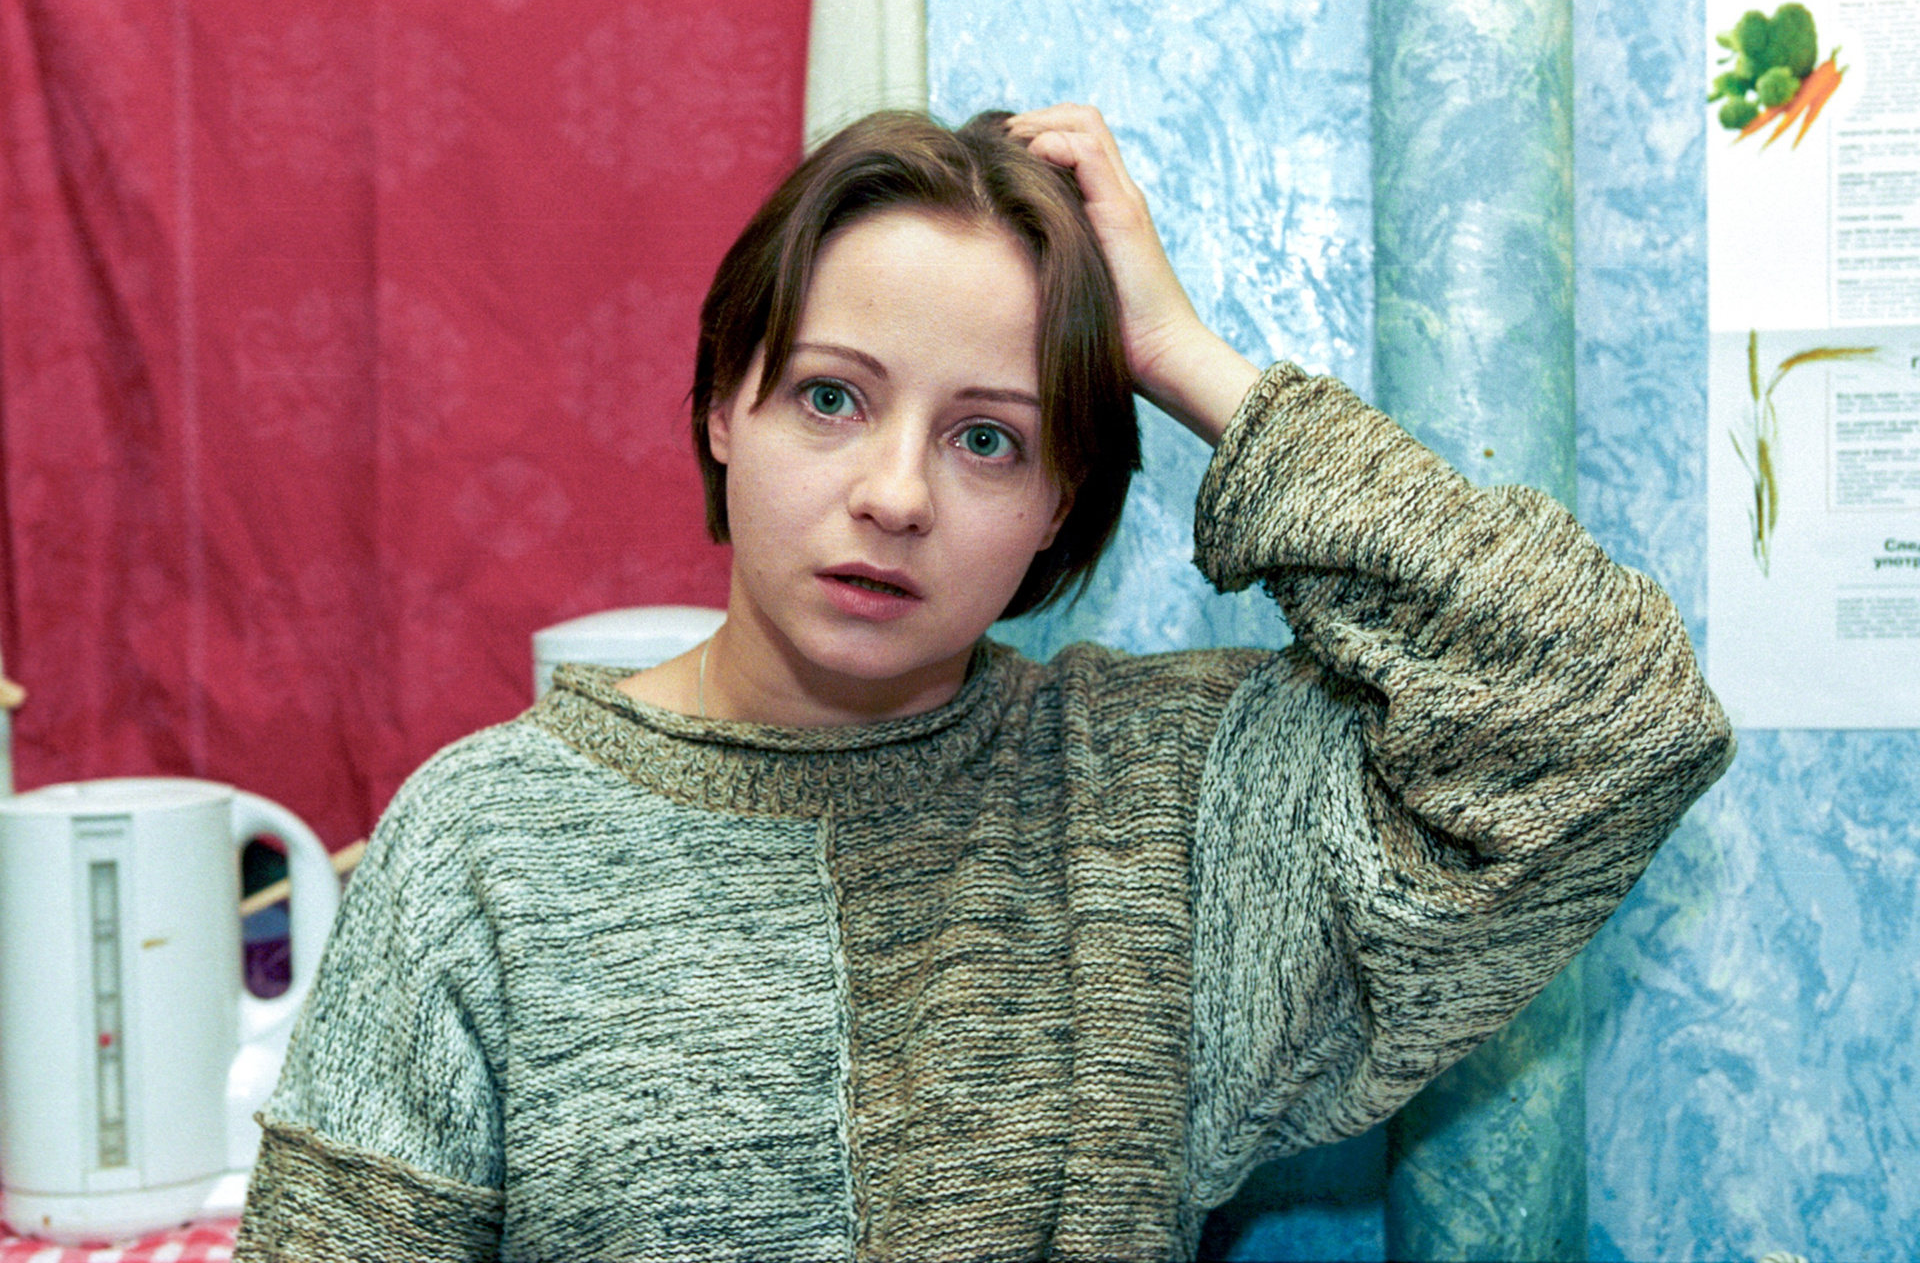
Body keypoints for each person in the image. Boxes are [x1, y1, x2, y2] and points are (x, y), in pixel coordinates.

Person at [232, 106, 1733, 1262]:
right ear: (721, 407)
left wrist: (1181, 357)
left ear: (1059, 505)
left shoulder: (1169, 812)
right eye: (831, 397)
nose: (895, 496)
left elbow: (1615, 710)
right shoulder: (485, 843)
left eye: (988, 439)